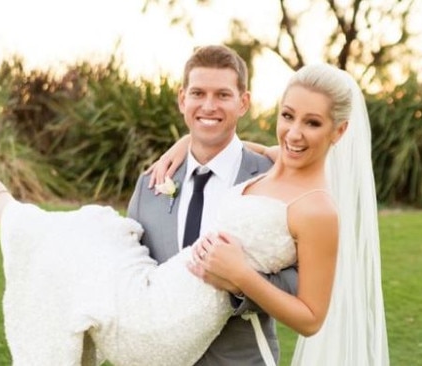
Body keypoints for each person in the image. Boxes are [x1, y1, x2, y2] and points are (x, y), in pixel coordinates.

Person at [0, 63, 389, 365]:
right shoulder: (277, 161)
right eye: (287, 116)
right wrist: (184, 146)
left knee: (72, 242)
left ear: (340, 130)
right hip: (158, 291)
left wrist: (241, 276)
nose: (294, 132)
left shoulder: (318, 210)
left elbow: (311, 317)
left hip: (168, 326)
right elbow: (237, 147)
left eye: (312, 124)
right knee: (86, 233)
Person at [127, 44, 297, 366]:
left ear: (243, 102)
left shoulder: (272, 179)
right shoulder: (151, 185)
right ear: (182, 99)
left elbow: (300, 282)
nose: (208, 106)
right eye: (198, 93)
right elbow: (133, 275)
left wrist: (239, 285)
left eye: (222, 95)